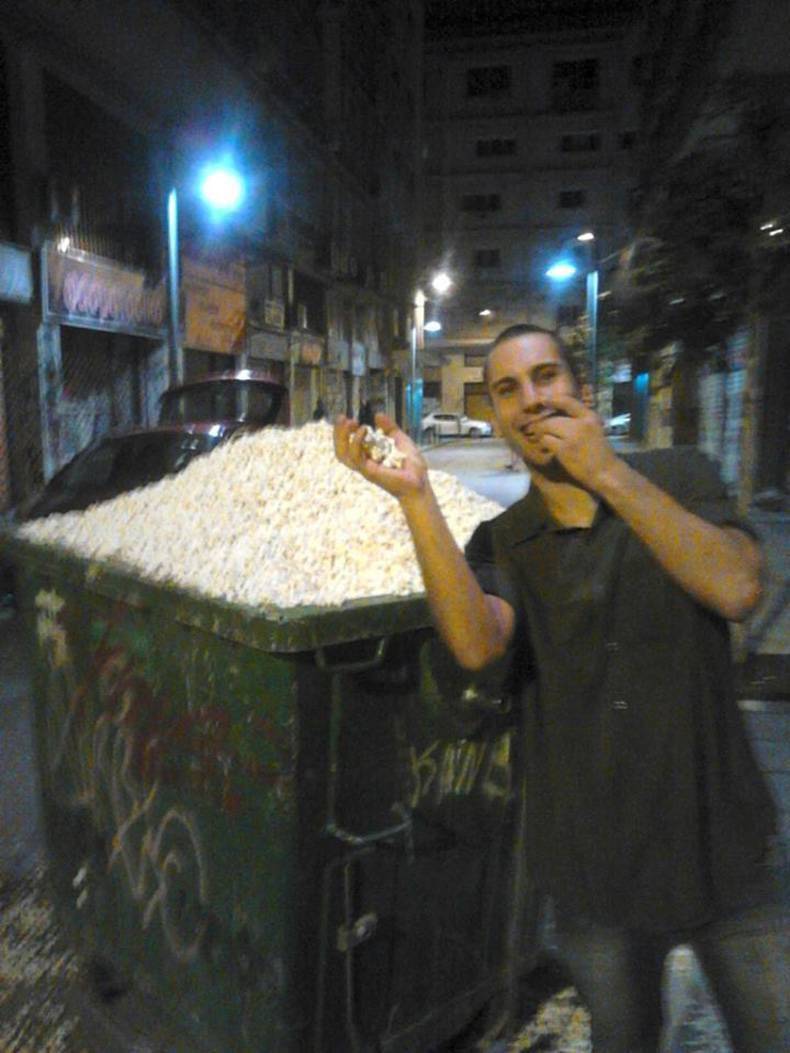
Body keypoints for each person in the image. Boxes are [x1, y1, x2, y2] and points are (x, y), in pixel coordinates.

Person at [334, 323, 787, 1051]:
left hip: (724, 845)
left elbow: (737, 586)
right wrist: (416, 499)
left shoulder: (679, 476)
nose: (532, 399)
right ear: (496, 416)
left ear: (582, 389)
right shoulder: (506, 540)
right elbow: (477, 644)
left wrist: (606, 473)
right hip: (595, 873)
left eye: (546, 376)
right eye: (508, 389)